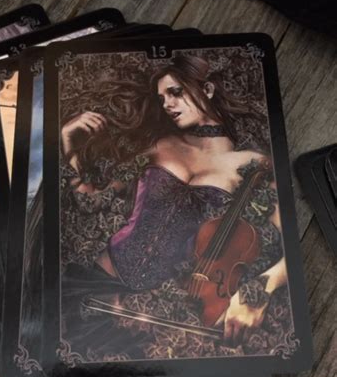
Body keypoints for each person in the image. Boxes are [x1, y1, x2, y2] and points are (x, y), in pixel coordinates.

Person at [59, 54, 287, 355]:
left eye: (175, 92)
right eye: (161, 98)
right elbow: (91, 201)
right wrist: (68, 144)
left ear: (207, 90)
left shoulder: (255, 165)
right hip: (92, 283)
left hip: (156, 311)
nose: (167, 104)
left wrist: (259, 291)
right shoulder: (158, 145)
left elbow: (290, 249)